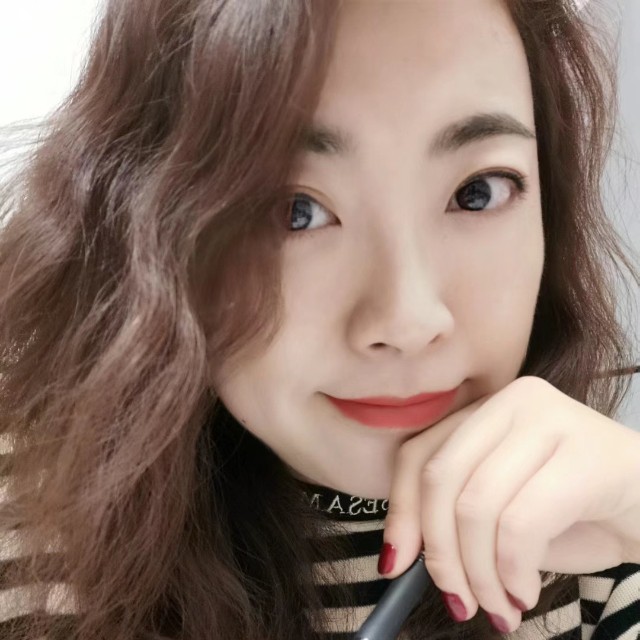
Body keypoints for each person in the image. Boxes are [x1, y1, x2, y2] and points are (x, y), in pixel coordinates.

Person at [0, 0, 638, 638]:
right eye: (294, 211)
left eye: (478, 192)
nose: (409, 320)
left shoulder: (599, 540)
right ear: (149, 222)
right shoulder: (25, 532)